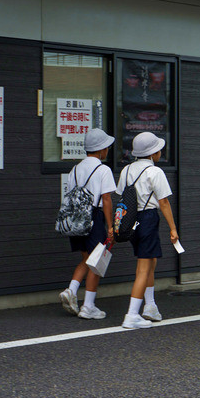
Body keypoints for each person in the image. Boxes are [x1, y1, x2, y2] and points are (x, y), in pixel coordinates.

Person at [116, 132, 179, 329]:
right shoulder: (155, 172)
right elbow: (164, 202)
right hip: (148, 218)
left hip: (131, 221)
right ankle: (132, 315)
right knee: (143, 268)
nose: (160, 152)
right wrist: (173, 228)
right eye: (158, 149)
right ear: (153, 153)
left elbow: (120, 195)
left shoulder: (126, 170)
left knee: (149, 262)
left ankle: (150, 306)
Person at [59, 129, 116, 320]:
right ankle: (88, 306)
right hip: (95, 217)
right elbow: (106, 199)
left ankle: (71, 290)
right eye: (106, 147)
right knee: (95, 263)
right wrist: (111, 226)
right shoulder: (103, 170)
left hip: (76, 219)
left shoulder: (74, 169)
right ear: (100, 149)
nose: (107, 150)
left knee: (86, 259)